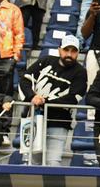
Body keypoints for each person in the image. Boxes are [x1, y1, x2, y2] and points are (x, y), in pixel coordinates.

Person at [19, 34, 87, 166]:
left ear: (78, 53)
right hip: (34, 118)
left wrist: (45, 102)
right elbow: (25, 80)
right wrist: (32, 96)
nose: (69, 54)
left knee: (53, 161)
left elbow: (73, 98)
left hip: (59, 121)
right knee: (33, 161)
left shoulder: (80, 72)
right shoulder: (46, 61)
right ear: (59, 49)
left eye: (73, 51)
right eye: (66, 50)